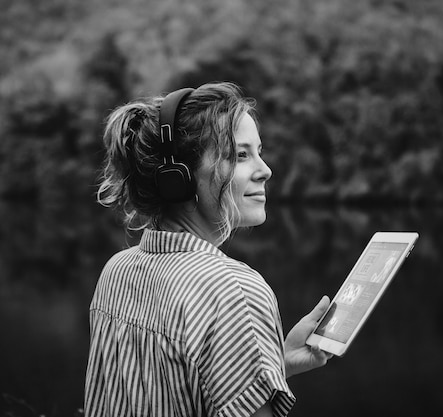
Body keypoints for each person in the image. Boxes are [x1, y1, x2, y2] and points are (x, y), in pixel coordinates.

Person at [85, 82, 332, 417]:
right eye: (241, 155)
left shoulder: (117, 270)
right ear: (179, 177)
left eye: (259, 151)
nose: (265, 170)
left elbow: (167, 390)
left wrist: (274, 363)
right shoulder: (234, 291)